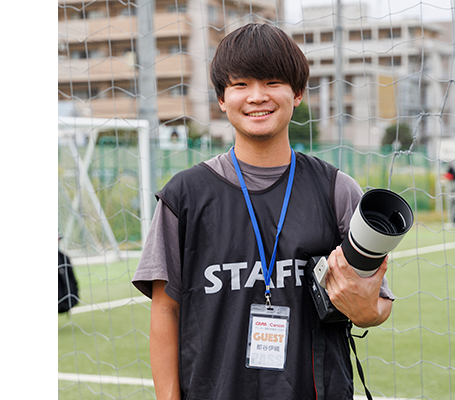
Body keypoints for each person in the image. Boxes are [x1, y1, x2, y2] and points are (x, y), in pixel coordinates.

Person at [131, 23, 393, 400]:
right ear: (222, 98)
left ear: (297, 92)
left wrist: (367, 310)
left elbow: (378, 303)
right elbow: (165, 311)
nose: (257, 96)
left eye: (272, 82)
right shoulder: (184, 195)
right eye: (240, 85)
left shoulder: (336, 189)